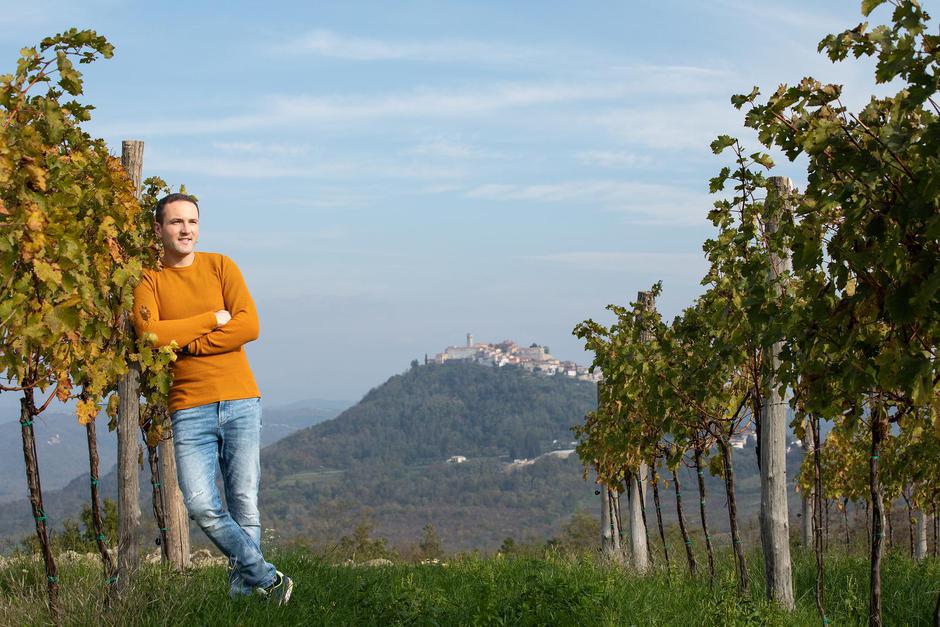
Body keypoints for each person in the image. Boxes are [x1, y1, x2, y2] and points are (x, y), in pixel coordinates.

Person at [131, 193, 292, 604]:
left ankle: (247, 595)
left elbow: (249, 326)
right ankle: (268, 577)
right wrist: (211, 319)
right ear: (159, 229)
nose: (186, 229)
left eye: (192, 221)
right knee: (202, 505)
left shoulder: (221, 266)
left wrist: (191, 344)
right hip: (188, 406)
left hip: (240, 399)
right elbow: (151, 334)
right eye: (176, 222)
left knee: (245, 503)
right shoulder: (149, 281)